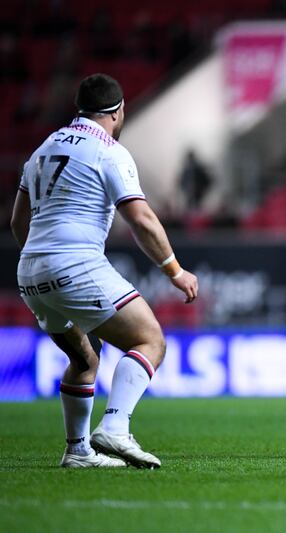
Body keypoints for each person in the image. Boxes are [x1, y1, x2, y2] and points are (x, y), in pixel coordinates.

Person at [10, 73, 199, 469]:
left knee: (84, 359)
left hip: (30, 271)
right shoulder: (108, 151)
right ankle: (115, 427)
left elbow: (17, 222)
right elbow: (142, 220)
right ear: (118, 111)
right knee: (150, 341)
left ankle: (77, 451)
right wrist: (175, 271)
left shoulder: (43, 148)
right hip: (74, 263)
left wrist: (42, 258)